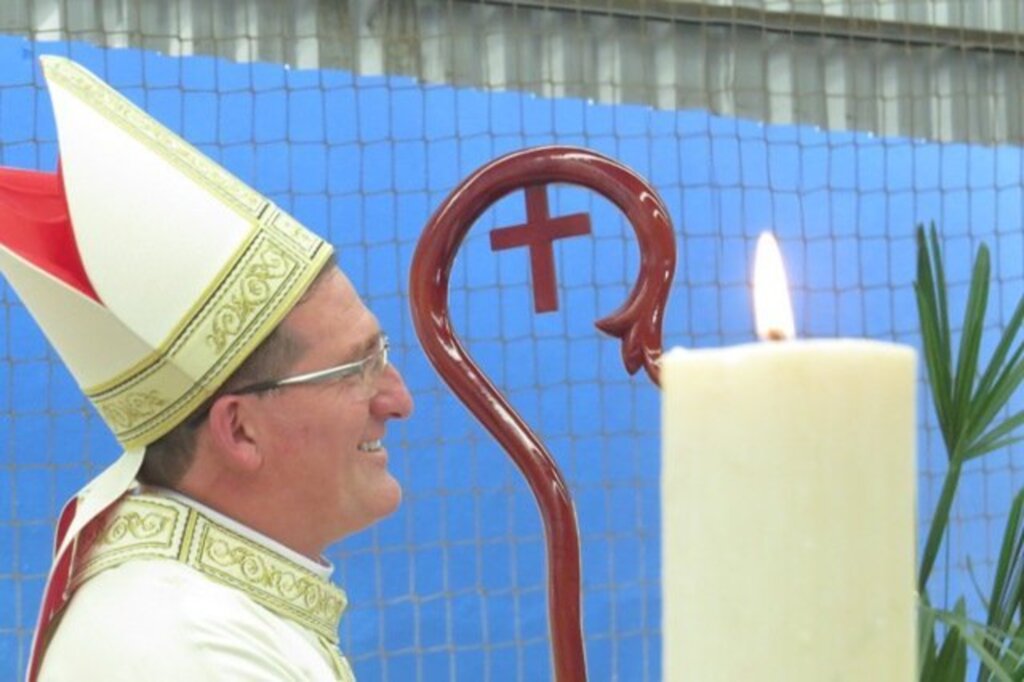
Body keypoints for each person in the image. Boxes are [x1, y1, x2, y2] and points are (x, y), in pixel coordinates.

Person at [0, 56, 411, 681]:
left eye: (380, 354)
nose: (397, 398)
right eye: (357, 368)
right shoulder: (190, 648)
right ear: (240, 430)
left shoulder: (206, 608)